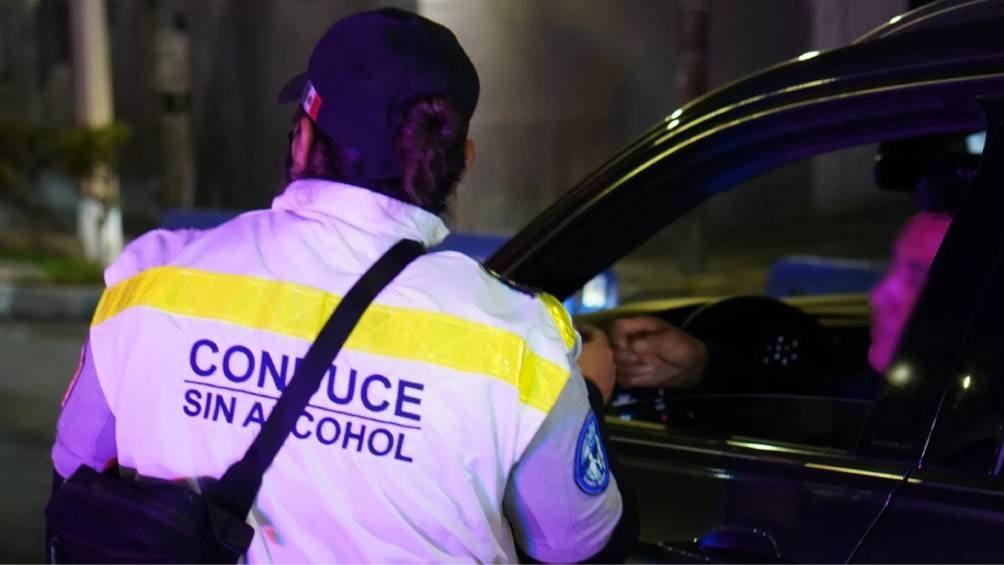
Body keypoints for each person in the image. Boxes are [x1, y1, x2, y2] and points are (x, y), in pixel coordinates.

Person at [50, 8, 636, 563]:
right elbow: (580, 546)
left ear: (304, 138)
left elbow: (73, 481)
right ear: (463, 160)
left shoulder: (150, 280)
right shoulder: (519, 343)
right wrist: (588, 396)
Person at [611, 162, 964, 391]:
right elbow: (818, 403)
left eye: (916, 278)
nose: (880, 295)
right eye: (895, 270)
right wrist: (701, 366)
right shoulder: (900, 396)